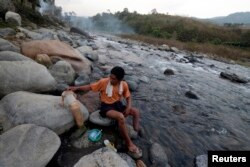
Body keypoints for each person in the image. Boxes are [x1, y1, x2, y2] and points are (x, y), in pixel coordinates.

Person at [68, 66, 142, 157]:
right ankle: (129, 143)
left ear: (120, 79)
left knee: (136, 112)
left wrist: (128, 107)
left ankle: (136, 130)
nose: (110, 79)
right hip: (106, 107)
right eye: (110, 76)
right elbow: (90, 87)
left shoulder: (124, 84)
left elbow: (128, 97)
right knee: (120, 117)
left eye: (113, 78)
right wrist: (77, 88)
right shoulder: (104, 82)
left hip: (117, 105)